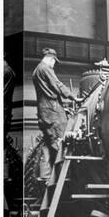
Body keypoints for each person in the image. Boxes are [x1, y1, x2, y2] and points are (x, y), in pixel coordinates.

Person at [32, 48, 82, 179]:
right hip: (53, 112)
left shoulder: (36, 71)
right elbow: (57, 85)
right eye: (54, 61)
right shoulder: (45, 69)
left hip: (44, 112)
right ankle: (64, 179)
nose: (54, 64)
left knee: (51, 146)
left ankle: (49, 177)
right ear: (50, 58)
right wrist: (73, 97)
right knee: (62, 143)